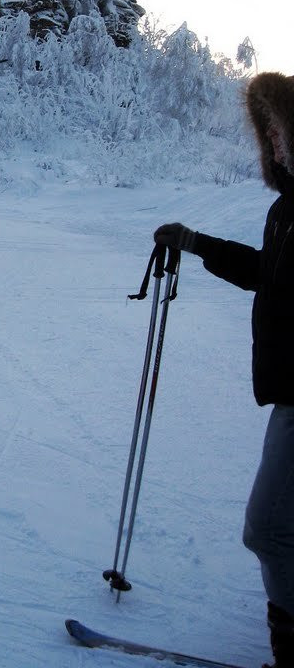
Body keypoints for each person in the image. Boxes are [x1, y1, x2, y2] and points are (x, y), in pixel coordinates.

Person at [154, 71, 294, 668]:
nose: (278, 146)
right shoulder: (287, 211)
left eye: (285, 133)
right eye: (271, 137)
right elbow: (269, 273)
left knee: (267, 529)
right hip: (289, 390)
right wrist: (196, 242)